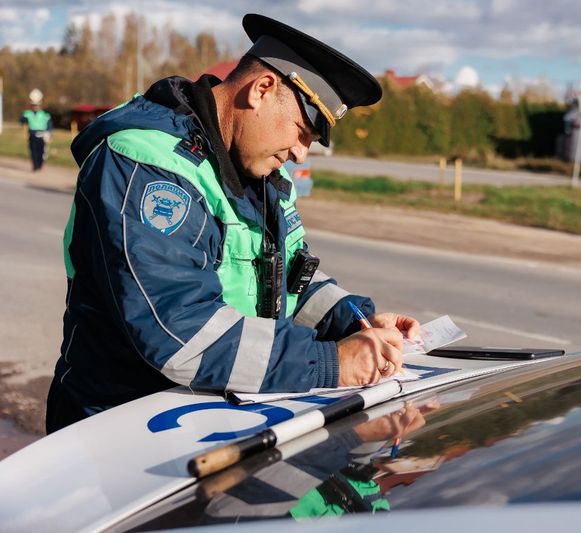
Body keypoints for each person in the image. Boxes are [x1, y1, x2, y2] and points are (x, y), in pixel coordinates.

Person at [46, 14, 420, 433]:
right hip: (122, 430)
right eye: (302, 131)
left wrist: (358, 322)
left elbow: (291, 280)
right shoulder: (148, 164)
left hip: (215, 418)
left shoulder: (262, 177)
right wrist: (332, 364)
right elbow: (181, 332)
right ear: (262, 89)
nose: (301, 154)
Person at [19, 88, 53, 171]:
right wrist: (23, 119)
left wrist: (49, 134)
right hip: (32, 135)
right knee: (33, 152)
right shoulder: (27, 113)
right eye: (34, 105)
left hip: (42, 135)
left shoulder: (45, 115)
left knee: (41, 152)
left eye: (36, 105)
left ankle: (39, 165)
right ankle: (35, 166)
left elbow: (49, 125)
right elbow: (22, 121)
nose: (35, 107)